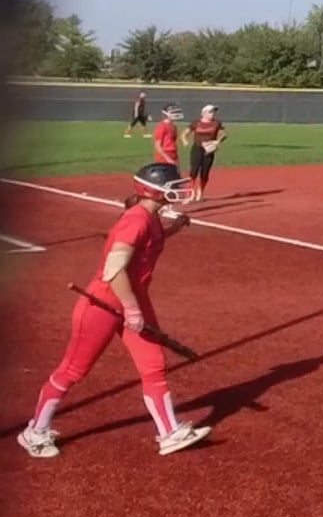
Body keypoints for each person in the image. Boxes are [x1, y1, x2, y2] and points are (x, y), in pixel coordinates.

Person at [16, 162, 210, 459]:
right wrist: (131, 309)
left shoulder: (150, 217)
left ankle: (169, 432)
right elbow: (113, 269)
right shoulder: (136, 220)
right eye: (171, 186)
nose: (178, 190)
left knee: (153, 364)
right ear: (152, 190)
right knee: (73, 370)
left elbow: (149, 243)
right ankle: (35, 431)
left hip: (133, 299)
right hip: (104, 303)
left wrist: (176, 227)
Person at [184, 104, 227, 202]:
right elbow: (185, 133)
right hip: (197, 148)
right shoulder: (196, 123)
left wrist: (217, 141)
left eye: (213, 112)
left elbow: (224, 134)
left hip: (209, 150)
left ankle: (200, 192)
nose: (212, 114)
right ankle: (190, 193)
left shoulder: (217, 123)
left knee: (205, 172)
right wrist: (185, 141)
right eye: (210, 112)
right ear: (203, 113)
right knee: (194, 171)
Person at [152, 104, 183, 169]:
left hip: (173, 153)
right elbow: (157, 146)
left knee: (176, 172)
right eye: (173, 112)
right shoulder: (162, 127)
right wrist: (167, 158)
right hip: (164, 155)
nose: (176, 114)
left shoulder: (173, 126)